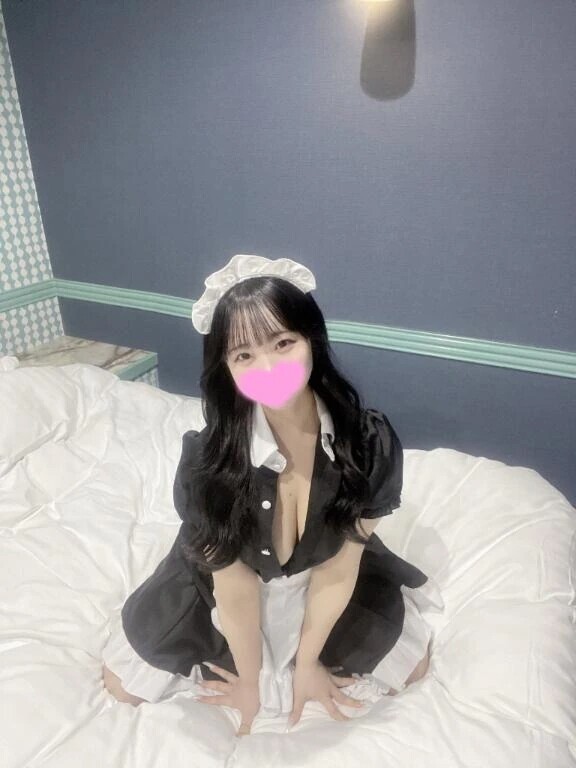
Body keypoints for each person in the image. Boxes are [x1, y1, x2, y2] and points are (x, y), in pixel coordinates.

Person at [101, 254, 444, 737]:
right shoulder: (209, 463)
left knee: (412, 667)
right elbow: (234, 588)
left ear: (312, 340)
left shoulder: (367, 444)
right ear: (226, 367)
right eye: (243, 355)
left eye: (283, 343)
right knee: (122, 685)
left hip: (323, 582)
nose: (267, 368)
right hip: (223, 591)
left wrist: (307, 662)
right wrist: (250, 681)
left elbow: (339, 568)